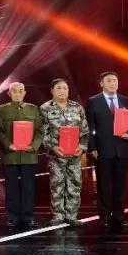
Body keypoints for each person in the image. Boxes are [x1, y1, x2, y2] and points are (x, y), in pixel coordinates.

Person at [86, 70, 128, 232]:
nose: (113, 83)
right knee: (104, 185)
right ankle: (105, 217)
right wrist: (92, 147)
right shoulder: (93, 101)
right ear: (101, 83)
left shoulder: (126, 100)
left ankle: (119, 216)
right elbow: (89, 127)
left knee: (121, 186)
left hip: (122, 149)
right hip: (102, 150)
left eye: (115, 80)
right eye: (109, 80)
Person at [40, 77, 89, 228]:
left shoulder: (77, 107)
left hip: (74, 155)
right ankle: (58, 215)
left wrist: (82, 146)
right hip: (56, 155)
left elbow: (84, 130)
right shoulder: (45, 108)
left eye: (65, 88)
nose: (62, 91)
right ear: (52, 91)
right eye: (59, 88)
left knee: (75, 184)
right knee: (57, 184)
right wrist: (52, 146)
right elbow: (42, 131)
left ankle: (72, 215)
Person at [0, 81, 44, 230]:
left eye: (20, 91)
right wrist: (7, 144)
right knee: (11, 188)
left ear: (24, 93)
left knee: (28, 188)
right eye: (14, 91)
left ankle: (28, 217)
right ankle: (12, 217)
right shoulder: (1, 110)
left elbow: (40, 131)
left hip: (29, 155)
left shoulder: (33, 109)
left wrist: (34, 146)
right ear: (9, 93)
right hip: (11, 155)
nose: (17, 93)